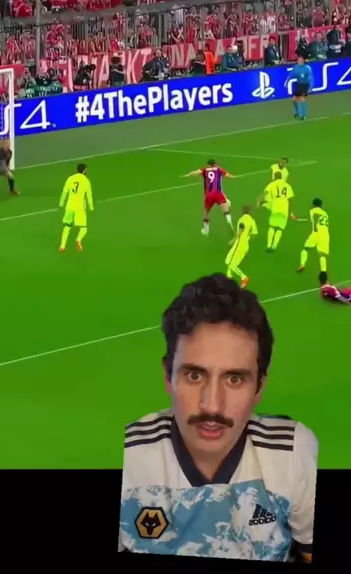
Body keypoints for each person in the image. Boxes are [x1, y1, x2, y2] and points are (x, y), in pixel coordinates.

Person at [119, 274, 318, 561]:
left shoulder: (292, 455)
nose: (212, 405)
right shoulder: (128, 458)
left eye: (234, 379)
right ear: (167, 376)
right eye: (194, 375)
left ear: (259, 387)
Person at [181, 160, 235, 236]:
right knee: (226, 209)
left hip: (209, 194)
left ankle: (206, 231)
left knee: (205, 213)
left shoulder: (205, 169)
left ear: (208, 164)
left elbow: (195, 172)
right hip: (218, 193)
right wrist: (233, 177)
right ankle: (230, 223)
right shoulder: (219, 169)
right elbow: (228, 175)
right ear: (215, 164)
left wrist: (188, 174)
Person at [59, 163, 94, 252]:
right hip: (80, 206)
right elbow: (89, 195)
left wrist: (61, 203)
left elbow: (64, 191)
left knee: (67, 226)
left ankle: (62, 245)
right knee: (84, 227)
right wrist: (91, 206)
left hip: (70, 205)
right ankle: (78, 239)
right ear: (84, 170)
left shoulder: (70, 178)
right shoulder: (86, 181)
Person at [257, 172, 295, 252]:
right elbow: (290, 200)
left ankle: (268, 245)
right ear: (281, 177)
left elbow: (265, 193)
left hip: (275, 207)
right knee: (280, 228)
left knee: (272, 227)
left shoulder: (272, 184)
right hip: (284, 208)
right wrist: (290, 212)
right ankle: (274, 246)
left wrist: (259, 201)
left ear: (274, 177)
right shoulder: (287, 185)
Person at [225, 205, 258, 287]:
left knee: (232, 265)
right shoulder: (252, 221)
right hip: (245, 245)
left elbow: (240, 231)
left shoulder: (242, 219)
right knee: (228, 260)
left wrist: (232, 240)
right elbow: (254, 234)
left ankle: (244, 278)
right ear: (249, 211)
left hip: (239, 245)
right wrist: (248, 236)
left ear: (243, 211)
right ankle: (229, 276)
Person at [297, 198, 329, 274]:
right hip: (325, 234)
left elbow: (315, 216)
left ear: (314, 204)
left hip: (316, 232)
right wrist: (297, 219)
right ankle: (323, 272)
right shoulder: (325, 213)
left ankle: (302, 265)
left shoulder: (313, 210)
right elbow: (310, 219)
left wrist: (314, 226)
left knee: (305, 249)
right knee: (322, 254)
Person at [285, 55, 314, 121]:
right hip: (298, 84)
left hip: (305, 85)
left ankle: (303, 115)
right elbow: (291, 75)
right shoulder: (296, 68)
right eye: (298, 60)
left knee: (301, 99)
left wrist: (310, 87)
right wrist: (287, 82)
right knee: (294, 100)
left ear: (303, 61)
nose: (299, 61)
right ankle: (297, 112)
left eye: (301, 60)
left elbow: (311, 78)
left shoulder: (307, 68)